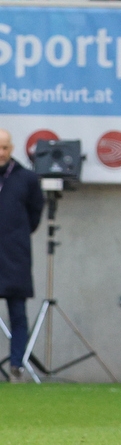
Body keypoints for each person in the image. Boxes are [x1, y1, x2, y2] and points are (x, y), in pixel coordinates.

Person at [0, 129, 44, 384]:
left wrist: (17, 233)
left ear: (12, 148)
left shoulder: (26, 178)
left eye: (5, 147)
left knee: (17, 312)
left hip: (15, 254)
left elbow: (35, 213)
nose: (1, 153)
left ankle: (17, 364)